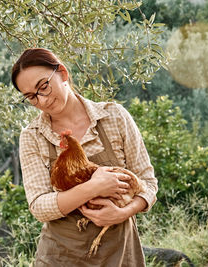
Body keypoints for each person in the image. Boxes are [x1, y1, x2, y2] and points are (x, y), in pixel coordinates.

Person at [12, 48, 158, 266]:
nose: (42, 100)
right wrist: (94, 187)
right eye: (31, 97)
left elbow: (148, 183)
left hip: (119, 255)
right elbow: (39, 206)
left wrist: (123, 213)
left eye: (43, 86)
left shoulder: (114, 117)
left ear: (62, 72)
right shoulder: (32, 136)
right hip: (60, 257)